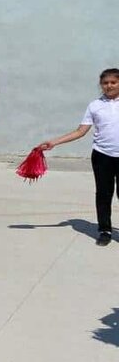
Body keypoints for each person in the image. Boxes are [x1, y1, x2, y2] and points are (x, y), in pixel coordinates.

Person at [38, 68, 119, 246]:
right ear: (101, 85)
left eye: (113, 82)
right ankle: (104, 230)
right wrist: (54, 142)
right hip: (102, 156)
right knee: (104, 194)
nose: (109, 86)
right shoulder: (95, 106)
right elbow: (80, 131)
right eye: (105, 83)